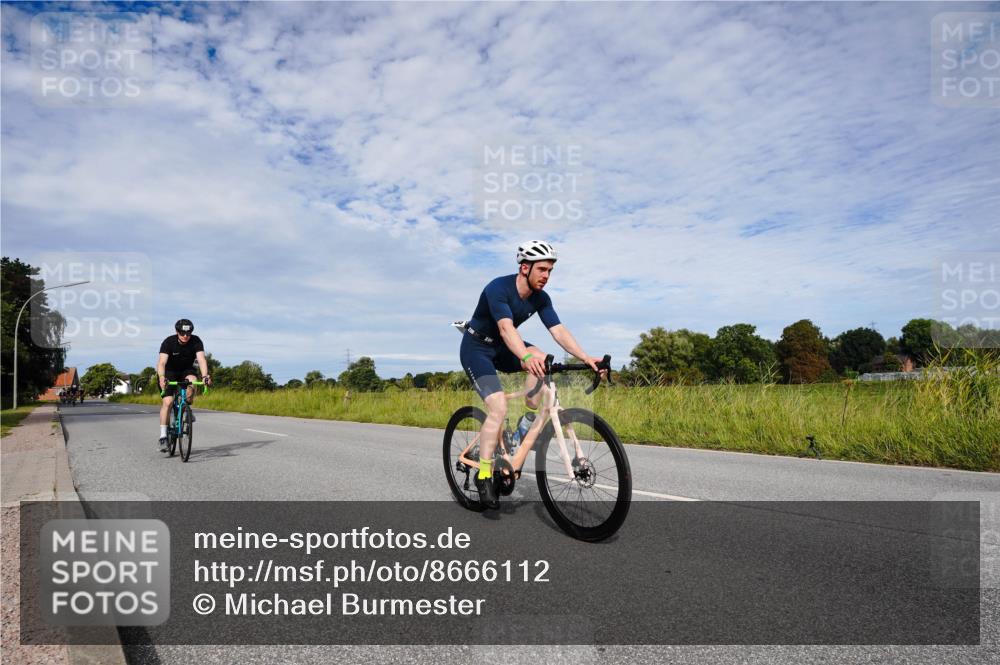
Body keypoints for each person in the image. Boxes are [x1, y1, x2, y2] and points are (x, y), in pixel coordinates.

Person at [458, 240, 604, 509]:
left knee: (542, 357)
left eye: (550, 270)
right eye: (542, 269)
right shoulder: (498, 288)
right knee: (499, 406)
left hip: (503, 348)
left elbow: (558, 330)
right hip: (477, 348)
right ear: (525, 268)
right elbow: (505, 328)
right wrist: (524, 357)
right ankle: (484, 473)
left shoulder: (541, 298)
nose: (546, 276)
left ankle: (527, 420)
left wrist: (584, 357)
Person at [156, 319, 211, 451]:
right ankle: (163, 436)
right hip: (169, 372)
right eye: (182, 333)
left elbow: (202, 360)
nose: (186, 336)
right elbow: (162, 363)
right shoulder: (168, 342)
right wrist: (162, 377)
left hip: (186, 370)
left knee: (193, 381)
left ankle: (186, 409)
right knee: (168, 402)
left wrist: (205, 376)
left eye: (188, 333)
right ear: (177, 332)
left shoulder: (196, 341)